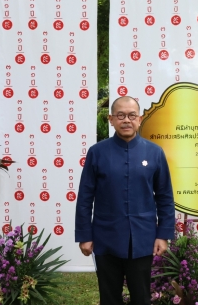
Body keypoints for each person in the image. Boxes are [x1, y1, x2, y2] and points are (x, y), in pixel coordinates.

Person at [75, 96, 175, 305]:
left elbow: (165, 197)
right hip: (105, 237)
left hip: (142, 237)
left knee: (142, 297)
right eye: (120, 115)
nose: (126, 120)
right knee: (109, 297)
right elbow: (85, 198)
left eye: (131, 115)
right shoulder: (97, 152)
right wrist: (85, 235)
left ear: (139, 119)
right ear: (111, 119)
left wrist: (163, 234)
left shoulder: (155, 152)